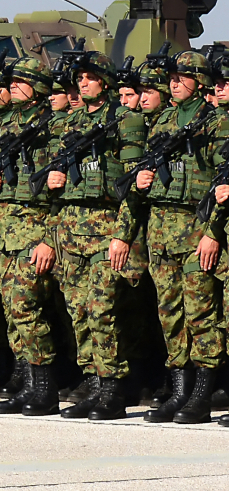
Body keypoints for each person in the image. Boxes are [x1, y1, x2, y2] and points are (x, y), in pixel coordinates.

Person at [46, 52, 145, 421]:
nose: (82, 83)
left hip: (105, 229)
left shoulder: (125, 121)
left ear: (104, 81)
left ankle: (113, 389)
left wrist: (122, 236)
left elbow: (136, 185)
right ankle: (93, 382)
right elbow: (56, 178)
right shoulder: (68, 123)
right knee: (78, 311)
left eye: (89, 77)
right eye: (79, 78)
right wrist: (55, 186)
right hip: (72, 230)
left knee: (104, 312)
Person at [130, 51, 223, 424]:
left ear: (199, 83)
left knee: (201, 313)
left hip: (194, 227)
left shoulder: (216, 121)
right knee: (169, 313)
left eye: (182, 76)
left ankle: (202, 393)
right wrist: (141, 181)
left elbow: (222, 183)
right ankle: (180, 390)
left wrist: (213, 232)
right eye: (171, 76)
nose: (173, 82)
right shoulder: (164, 120)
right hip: (161, 230)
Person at [0, 58, 63, 416]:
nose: (11, 86)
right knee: (13, 313)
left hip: (33, 230)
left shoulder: (53, 128)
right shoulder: (7, 123)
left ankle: (45, 388)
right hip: (4, 231)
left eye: (20, 81)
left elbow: (62, 194)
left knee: (28, 309)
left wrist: (49, 238)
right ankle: (27, 382)